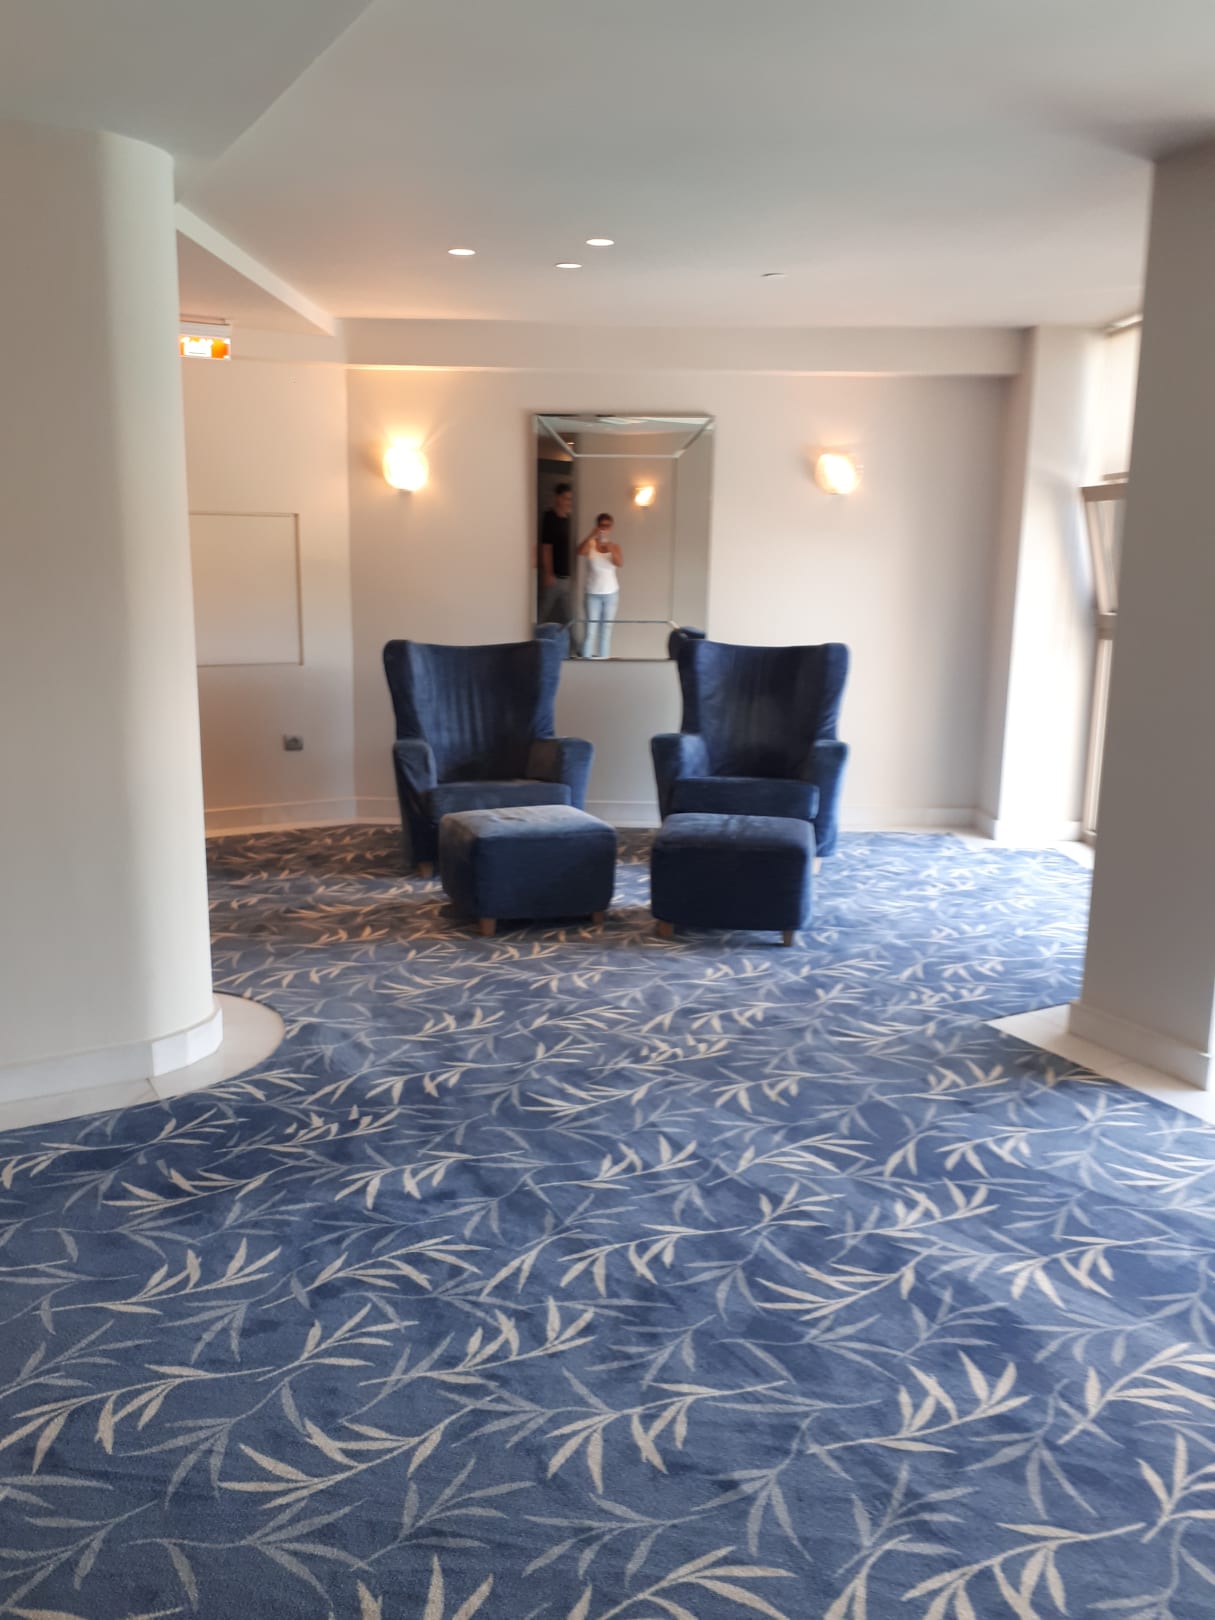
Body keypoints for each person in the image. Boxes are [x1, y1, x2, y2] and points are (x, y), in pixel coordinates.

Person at [577, 513, 623, 659]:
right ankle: (586, 664)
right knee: (590, 631)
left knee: (606, 632)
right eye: (602, 525)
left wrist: (610, 549)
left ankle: (604, 663)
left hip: (611, 595)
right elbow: (579, 551)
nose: (604, 528)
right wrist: (592, 535)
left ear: (611, 528)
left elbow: (619, 563)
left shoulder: (614, 546)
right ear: (597, 526)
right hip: (592, 594)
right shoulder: (590, 544)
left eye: (607, 526)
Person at [538, 483, 573, 629]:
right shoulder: (549, 517)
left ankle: (575, 642)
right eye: (565, 498)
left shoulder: (570, 520)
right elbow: (546, 547)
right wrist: (548, 573)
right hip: (554, 577)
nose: (568, 502)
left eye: (570, 499)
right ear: (557, 498)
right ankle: (533, 638)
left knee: (571, 616)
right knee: (543, 611)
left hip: (567, 578)